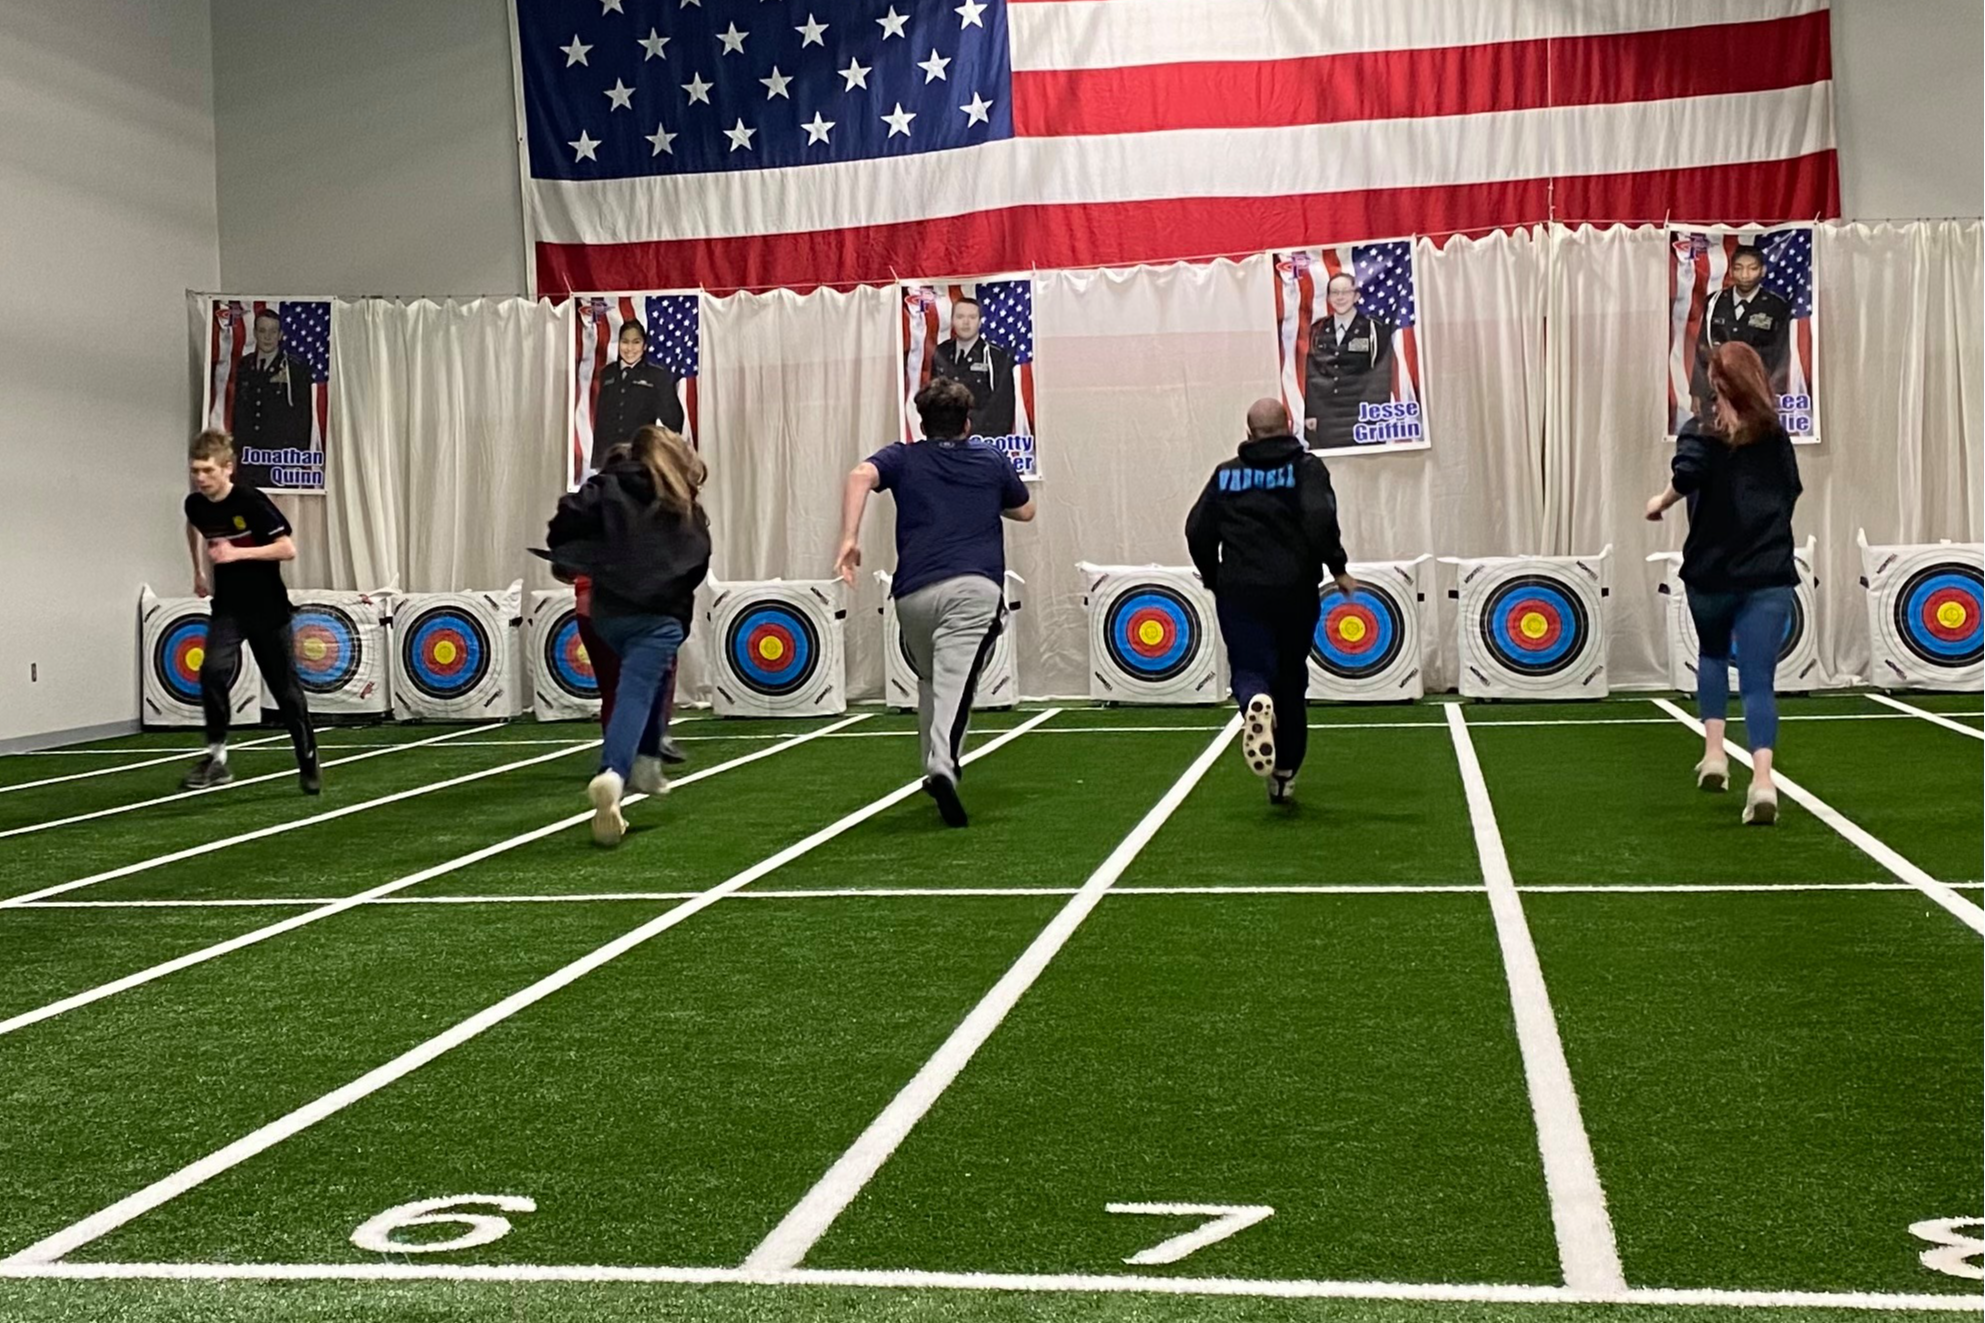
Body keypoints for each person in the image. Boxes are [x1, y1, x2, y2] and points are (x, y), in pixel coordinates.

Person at [836, 377, 1035, 826]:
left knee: (932, 679)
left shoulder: (903, 458)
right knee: (956, 686)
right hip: (973, 589)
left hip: (913, 595)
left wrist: (849, 538)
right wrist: (981, 498)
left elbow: (859, 475)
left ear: (921, 423)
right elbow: (1025, 510)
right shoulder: (990, 458)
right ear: (967, 423)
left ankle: (932, 760)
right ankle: (942, 764)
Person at [1647, 341, 1803, 826]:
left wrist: (1661, 501)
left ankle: (1714, 753)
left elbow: (1687, 475)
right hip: (1768, 571)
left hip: (1711, 571)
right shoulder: (1775, 435)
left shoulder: (1701, 430)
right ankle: (1762, 781)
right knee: (1759, 682)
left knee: (1712, 656)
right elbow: (1791, 489)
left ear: (1715, 384)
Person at [546, 425, 711, 846]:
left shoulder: (604, 487)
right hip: (658, 616)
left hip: (608, 614)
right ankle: (614, 773)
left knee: (645, 683)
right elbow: (696, 560)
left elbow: (564, 519)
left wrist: (573, 556)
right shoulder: (680, 502)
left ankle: (647, 765)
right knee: (635, 691)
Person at [1186, 398, 1354, 805]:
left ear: (1249, 432)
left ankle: (1253, 703)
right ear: (1289, 424)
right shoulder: (1306, 469)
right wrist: (1337, 566)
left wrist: (1214, 577)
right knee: (1291, 676)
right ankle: (1285, 772)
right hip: (1295, 590)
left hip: (1241, 589)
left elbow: (1197, 529)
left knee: (1249, 666)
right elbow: (1318, 517)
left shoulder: (1227, 476)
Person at [179, 430, 319, 793]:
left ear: (228, 468)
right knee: (211, 670)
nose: (200, 478)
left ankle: (307, 758)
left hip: (267, 608)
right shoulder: (194, 504)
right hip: (228, 607)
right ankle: (217, 757)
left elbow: (287, 549)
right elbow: (194, 528)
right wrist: (197, 569)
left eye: (207, 470)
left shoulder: (250, 502)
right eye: (195, 470)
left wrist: (236, 554)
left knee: (285, 690)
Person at [1690, 245, 1792, 417]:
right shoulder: (1715, 302)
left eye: (1752, 268)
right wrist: (1697, 392)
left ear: (1763, 270)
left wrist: (1774, 394)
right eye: (1739, 268)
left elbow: (1782, 354)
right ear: (1731, 271)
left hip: (1756, 393)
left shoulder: (1776, 306)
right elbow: (1702, 347)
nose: (1745, 275)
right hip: (1718, 392)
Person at [1303, 273, 1394, 451]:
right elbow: (1312, 372)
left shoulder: (1374, 328)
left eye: (1345, 291)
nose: (1340, 297)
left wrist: (1375, 414)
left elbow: (1381, 374)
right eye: (1335, 292)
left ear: (1356, 296)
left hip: (1363, 415)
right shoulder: (1318, 329)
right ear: (1328, 298)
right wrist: (1311, 412)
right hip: (1327, 417)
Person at [590, 320, 684, 472]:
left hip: (641, 458)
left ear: (644, 345)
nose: (630, 348)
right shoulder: (607, 373)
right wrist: (597, 460)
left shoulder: (656, 376)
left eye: (636, 342)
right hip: (609, 458)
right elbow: (601, 419)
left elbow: (674, 421)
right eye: (625, 342)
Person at [929, 297, 1017, 439]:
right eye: (960, 317)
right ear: (952, 320)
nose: (966, 322)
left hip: (983, 438)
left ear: (980, 321)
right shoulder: (941, 352)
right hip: (945, 438)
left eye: (972, 317)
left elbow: (1003, 406)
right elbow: (932, 398)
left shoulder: (997, 356)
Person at [231, 308, 315, 450]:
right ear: (255, 333)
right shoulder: (244, 365)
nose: (267, 337)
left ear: (280, 335)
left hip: (280, 455)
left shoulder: (294, 368)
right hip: (248, 454)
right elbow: (239, 411)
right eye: (262, 331)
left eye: (273, 331)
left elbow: (303, 417)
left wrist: (297, 457)